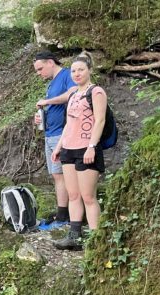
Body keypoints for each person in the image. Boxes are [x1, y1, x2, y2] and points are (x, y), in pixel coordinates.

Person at [51, 52, 107, 250]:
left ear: (89, 70)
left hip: (87, 149)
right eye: (73, 70)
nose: (76, 73)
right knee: (73, 195)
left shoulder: (96, 91)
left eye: (81, 69)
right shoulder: (73, 93)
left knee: (88, 196)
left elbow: (100, 120)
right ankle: (74, 237)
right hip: (69, 149)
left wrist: (92, 146)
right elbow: (69, 123)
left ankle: (96, 242)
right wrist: (59, 147)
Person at [33, 50, 78, 230]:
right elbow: (52, 104)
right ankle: (61, 214)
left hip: (62, 134)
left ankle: (65, 217)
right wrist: (40, 116)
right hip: (50, 134)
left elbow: (73, 94)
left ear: (50, 62)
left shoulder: (68, 75)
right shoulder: (51, 84)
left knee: (65, 176)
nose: (39, 73)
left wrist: (47, 101)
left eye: (40, 69)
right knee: (57, 176)